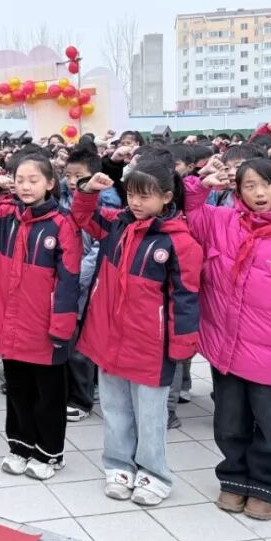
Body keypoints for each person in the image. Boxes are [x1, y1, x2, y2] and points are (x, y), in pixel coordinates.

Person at [185, 157, 271, 521]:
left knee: (270, 424)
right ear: (238, 190)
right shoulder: (222, 222)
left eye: (266, 184)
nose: (260, 193)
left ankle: (267, 486)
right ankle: (233, 477)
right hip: (227, 346)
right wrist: (201, 184)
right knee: (229, 422)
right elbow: (192, 212)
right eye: (250, 186)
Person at [72, 161, 202, 506]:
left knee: (151, 415)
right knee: (115, 408)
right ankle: (118, 466)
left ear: (167, 197)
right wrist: (87, 190)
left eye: (145, 196)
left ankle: (154, 474)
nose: (136, 202)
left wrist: (182, 345)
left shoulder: (179, 242)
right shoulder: (116, 225)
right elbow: (83, 217)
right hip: (110, 337)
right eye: (131, 194)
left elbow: (186, 298)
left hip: (150, 344)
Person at [0, 154, 81, 478]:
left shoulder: (62, 223)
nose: (26, 186)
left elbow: (69, 279)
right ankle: (20, 446)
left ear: (50, 183)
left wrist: (61, 326)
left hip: (44, 327)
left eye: (34, 180)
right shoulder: (5, 216)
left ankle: (49, 454)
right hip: (10, 324)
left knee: (48, 396)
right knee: (18, 390)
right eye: (20, 180)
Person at [59, 148, 121, 424]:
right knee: (68, 340)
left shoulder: (107, 204)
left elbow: (98, 249)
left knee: (81, 347)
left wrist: (73, 277)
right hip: (68, 281)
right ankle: (74, 391)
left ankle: (81, 399)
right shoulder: (62, 199)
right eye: (68, 175)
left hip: (86, 284)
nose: (73, 181)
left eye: (79, 176)